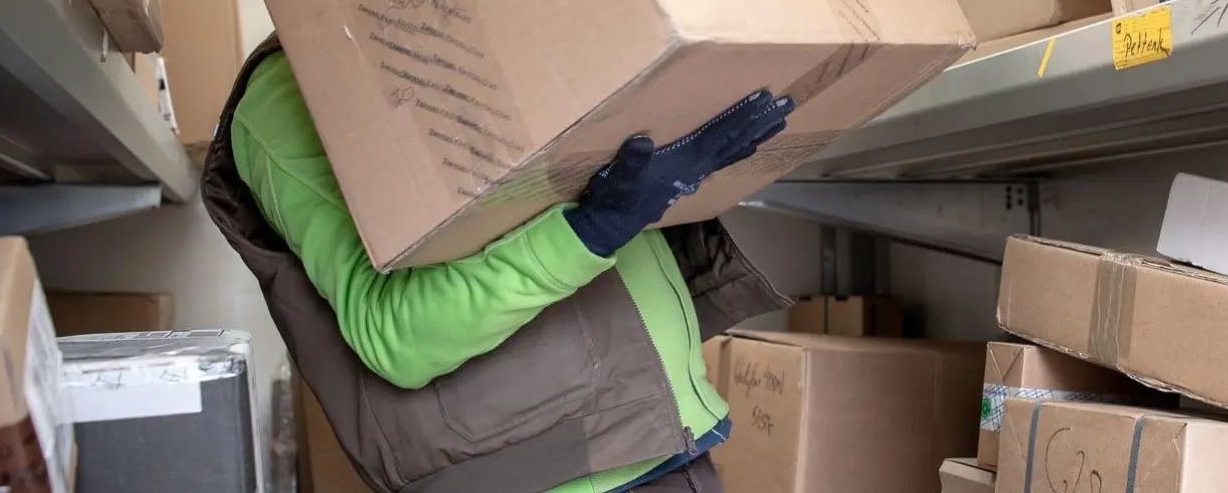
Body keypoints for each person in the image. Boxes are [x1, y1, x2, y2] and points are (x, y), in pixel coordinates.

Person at [202, 34, 796, 493]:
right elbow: (395, 335)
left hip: (654, 436)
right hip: (553, 469)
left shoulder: (502, 16)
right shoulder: (289, 93)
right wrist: (594, 228)